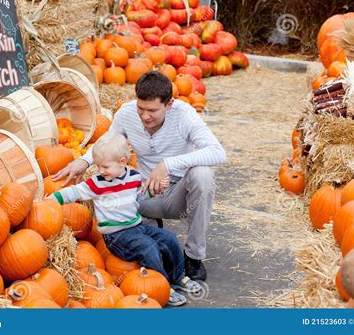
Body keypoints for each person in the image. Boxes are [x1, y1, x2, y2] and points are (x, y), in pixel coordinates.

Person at [53, 71, 227, 281]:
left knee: (203, 175)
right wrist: (85, 160)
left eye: (152, 110)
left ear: (169, 104)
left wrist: (168, 164)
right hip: (143, 193)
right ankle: (148, 226)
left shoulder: (184, 114)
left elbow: (218, 152)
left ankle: (193, 256)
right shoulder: (126, 114)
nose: (145, 116)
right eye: (141, 108)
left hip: (180, 194)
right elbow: (107, 142)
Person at [49, 132, 201, 306]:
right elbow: (73, 192)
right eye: (98, 166)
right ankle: (164, 287)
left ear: (122, 162)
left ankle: (178, 276)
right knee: (148, 247)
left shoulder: (134, 177)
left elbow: (140, 198)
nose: (100, 171)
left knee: (169, 237)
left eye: (105, 167)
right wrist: (53, 199)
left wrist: (155, 190)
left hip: (136, 227)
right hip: (116, 236)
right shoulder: (96, 183)